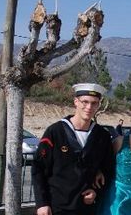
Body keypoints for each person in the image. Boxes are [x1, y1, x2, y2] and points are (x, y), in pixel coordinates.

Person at [32, 83, 115, 215]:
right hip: (55, 207)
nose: (89, 107)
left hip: (86, 208)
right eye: (85, 102)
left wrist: (96, 192)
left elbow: (108, 170)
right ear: (76, 101)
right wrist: (42, 203)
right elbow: (39, 169)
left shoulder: (102, 136)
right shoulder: (55, 131)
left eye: (94, 103)